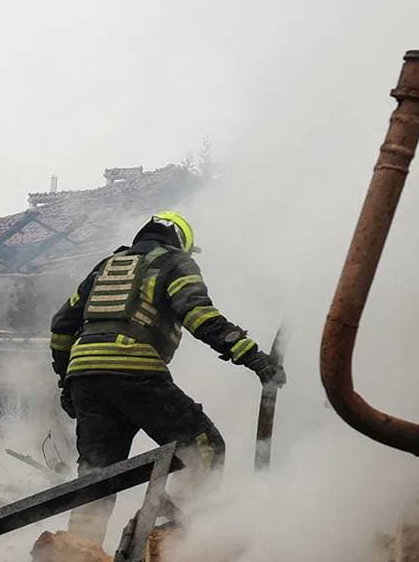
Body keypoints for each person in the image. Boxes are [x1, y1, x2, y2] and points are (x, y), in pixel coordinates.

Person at [49, 210, 282, 540]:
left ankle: (75, 557)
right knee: (203, 448)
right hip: (135, 370)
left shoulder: (106, 267)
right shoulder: (175, 262)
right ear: (182, 242)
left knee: (97, 477)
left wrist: (66, 384)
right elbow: (198, 314)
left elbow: (61, 326)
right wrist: (253, 356)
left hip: (86, 378)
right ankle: (175, 537)